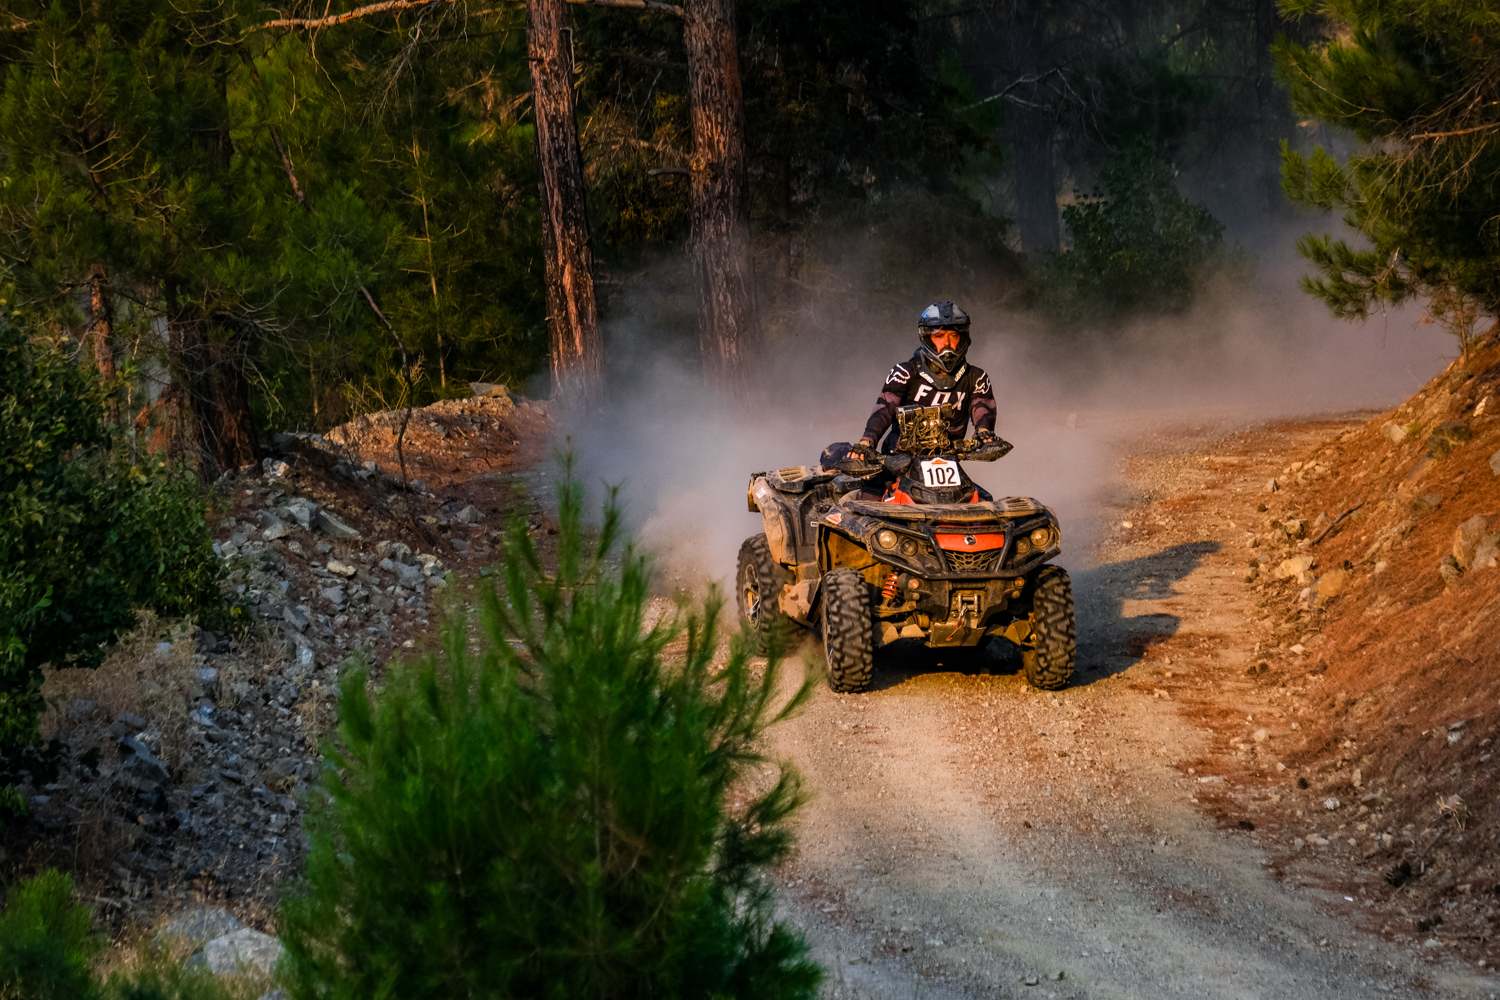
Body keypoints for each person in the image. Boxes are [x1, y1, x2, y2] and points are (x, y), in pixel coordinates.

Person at [821, 301, 999, 471]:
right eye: (939, 336)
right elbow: (884, 410)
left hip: (948, 464)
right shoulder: (904, 372)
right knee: (868, 497)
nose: (947, 344)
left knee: (982, 500)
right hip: (896, 462)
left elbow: (982, 410)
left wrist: (984, 433)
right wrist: (867, 442)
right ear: (927, 338)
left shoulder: (976, 377)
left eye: (953, 336)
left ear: (963, 339)